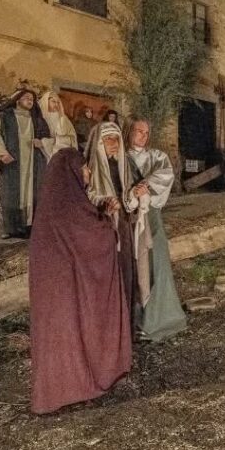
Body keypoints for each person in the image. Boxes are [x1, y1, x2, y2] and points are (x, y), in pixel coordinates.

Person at [28, 148, 132, 414]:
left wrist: (101, 212)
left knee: (63, 335)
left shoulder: (55, 202)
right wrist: (108, 225)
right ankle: (76, 387)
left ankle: (58, 391)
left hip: (55, 289)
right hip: (64, 289)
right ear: (71, 171)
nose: (88, 171)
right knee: (71, 332)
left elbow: (82, 227)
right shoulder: (68, 205)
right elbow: (92, 239)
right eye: (84, 167)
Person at [126, 119, 187, 342]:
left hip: (151, 215)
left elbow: (166, 174)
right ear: (129, 132)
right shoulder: (121, 158)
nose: (143, 135)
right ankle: (134, 320)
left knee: (156, 263)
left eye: (146, 132)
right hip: (128, 217)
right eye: (138, 131)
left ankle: (158, 319)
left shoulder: (156, 156)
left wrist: (146, 185)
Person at [87, 122, 149, 328]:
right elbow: (87, 196)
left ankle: (126, 328)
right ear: (99, 142)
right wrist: (103, 203)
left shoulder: (122, 166)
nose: (113, 143)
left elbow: (128, 199)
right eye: (108, 139)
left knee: (126, 273)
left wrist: (135, 194)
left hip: (123, 226)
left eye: (116, 139)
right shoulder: (89, 169)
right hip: (101, 232)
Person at [0, 88, 49, 237]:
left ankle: (31, 227)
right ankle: (11, 228)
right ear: (17, 99)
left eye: (32, 99)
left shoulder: (38, 120)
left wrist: (43, 143)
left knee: (33, 193)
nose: (30, 100)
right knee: (11, 194)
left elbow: (49, 139)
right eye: (27, 97)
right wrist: (2, 153)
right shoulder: (4, 117)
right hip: (13, 162)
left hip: (34, 163)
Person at [37, 91, 78, 160]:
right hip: (41, 155)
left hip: (59, 156)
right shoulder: (39, 117)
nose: (56, 104)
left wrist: (44, 143)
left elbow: (70, 139)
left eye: (58, 102)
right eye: (53, 101)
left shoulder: (64, 118)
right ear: (46, 101)